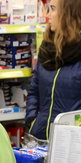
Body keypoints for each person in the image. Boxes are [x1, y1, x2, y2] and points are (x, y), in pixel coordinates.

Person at [25, 0, 81, 140]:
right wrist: (32, 121)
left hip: (72, 145)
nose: (48, 14)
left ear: (69, 14)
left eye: (53, 9)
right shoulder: (47, 49)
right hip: (40, 140)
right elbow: (33, 92)